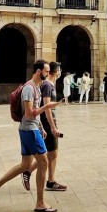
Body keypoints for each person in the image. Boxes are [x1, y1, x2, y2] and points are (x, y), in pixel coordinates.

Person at [0, 59, 60, 212]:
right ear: (38, 71)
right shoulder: (29, 89)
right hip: (29, 131)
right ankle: (40, 203)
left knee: (25, 165)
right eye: (45, 71)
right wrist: (47, 106)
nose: (47, 73)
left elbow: (34, 115)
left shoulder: (36, 87)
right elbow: (30, 114)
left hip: (31, 129)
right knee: (43, 162)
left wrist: (41, 127)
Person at [26, 62, 67, 192]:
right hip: (47, 122)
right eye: (59, 70)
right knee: (52, 153)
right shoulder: (48, 85)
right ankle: (48, 180)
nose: (60, 72)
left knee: (48, 153)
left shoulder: (47, 85)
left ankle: (43, 178)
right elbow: (47, 108)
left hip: (46, 122)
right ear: (56, 71)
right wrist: (52, 127)